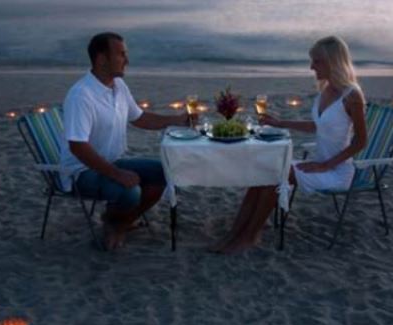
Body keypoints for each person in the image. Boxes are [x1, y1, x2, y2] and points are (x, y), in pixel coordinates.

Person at [212, 36, 367, 254]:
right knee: (262, 172)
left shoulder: (352, 95)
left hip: (337, 172)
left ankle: (249, 236)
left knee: (276, 174)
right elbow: (317, 126)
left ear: (333, 61)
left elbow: (361, 141)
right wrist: (280, 122)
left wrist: (326, 166)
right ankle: (236, 232)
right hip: (319, 165)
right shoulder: (326, 91)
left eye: (317, 61)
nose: (312, 66)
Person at [59, 32, 196, 249]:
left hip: (111, 161)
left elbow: (139, 118)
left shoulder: (118, 86)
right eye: (121, 54)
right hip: (82, 172)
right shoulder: (81, 95)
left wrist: (177, 120)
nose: (127, 60)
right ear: (102, 58)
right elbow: (77, 147)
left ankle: (119, 221)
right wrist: (117, 174)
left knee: (164, 172)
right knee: (130, 191)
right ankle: (116, 224)